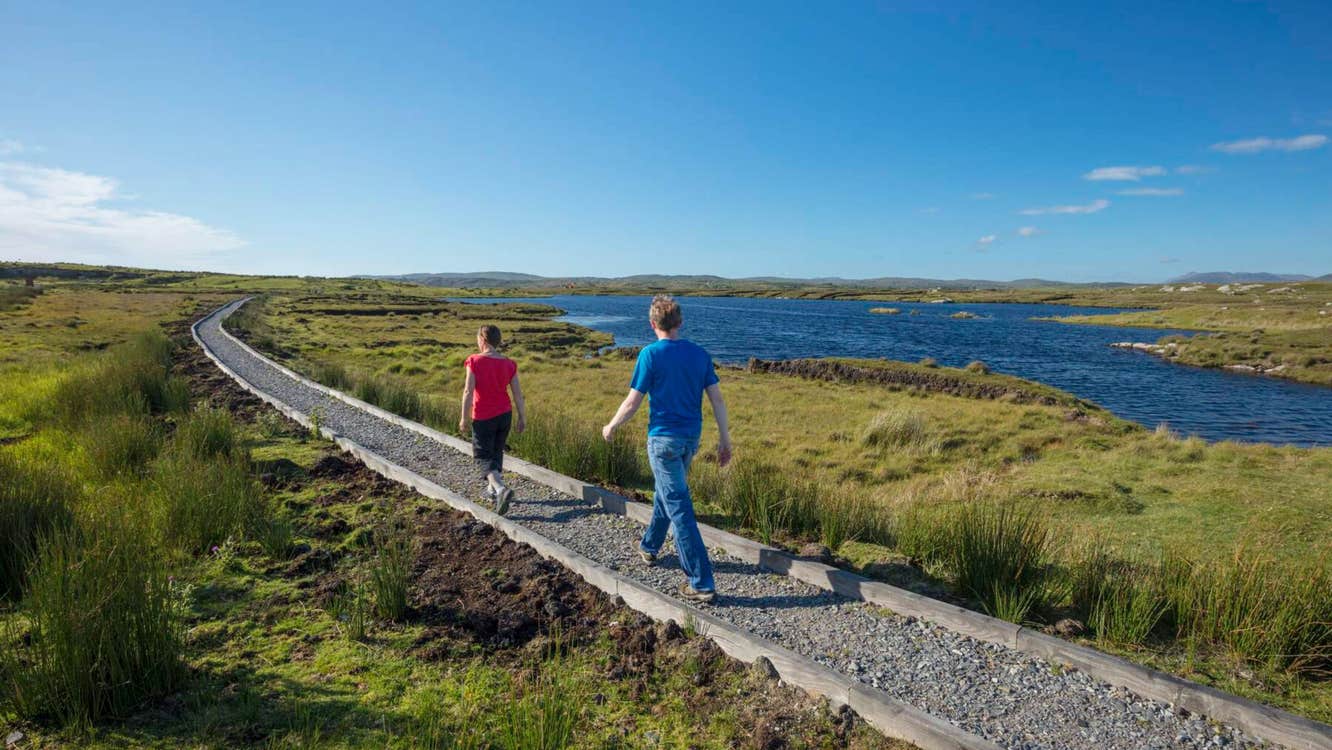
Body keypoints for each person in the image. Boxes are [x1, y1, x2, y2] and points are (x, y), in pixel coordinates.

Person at [602, 295, 732, 603]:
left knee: (680, 508)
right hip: (690, 440)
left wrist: (611, 426)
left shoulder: (650, 354)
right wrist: (725, 440)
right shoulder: (700, 355)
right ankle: (649, 547)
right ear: (680, 322)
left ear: (652, 324)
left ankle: (700, 582)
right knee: (666, 493)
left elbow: (633, 401)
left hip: (662, 442)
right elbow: (717, 400)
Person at [459, 324, 526, 515]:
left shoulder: (474, 361)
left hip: (483, 416)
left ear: (482, 339)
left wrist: (463, 417)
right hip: (505, 414)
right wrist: (522, 417)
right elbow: (518, 395)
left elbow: (468, 391)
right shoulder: (509, 364)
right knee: (496, 451)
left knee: (483, 456)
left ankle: (500, 489)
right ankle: (491, 491)